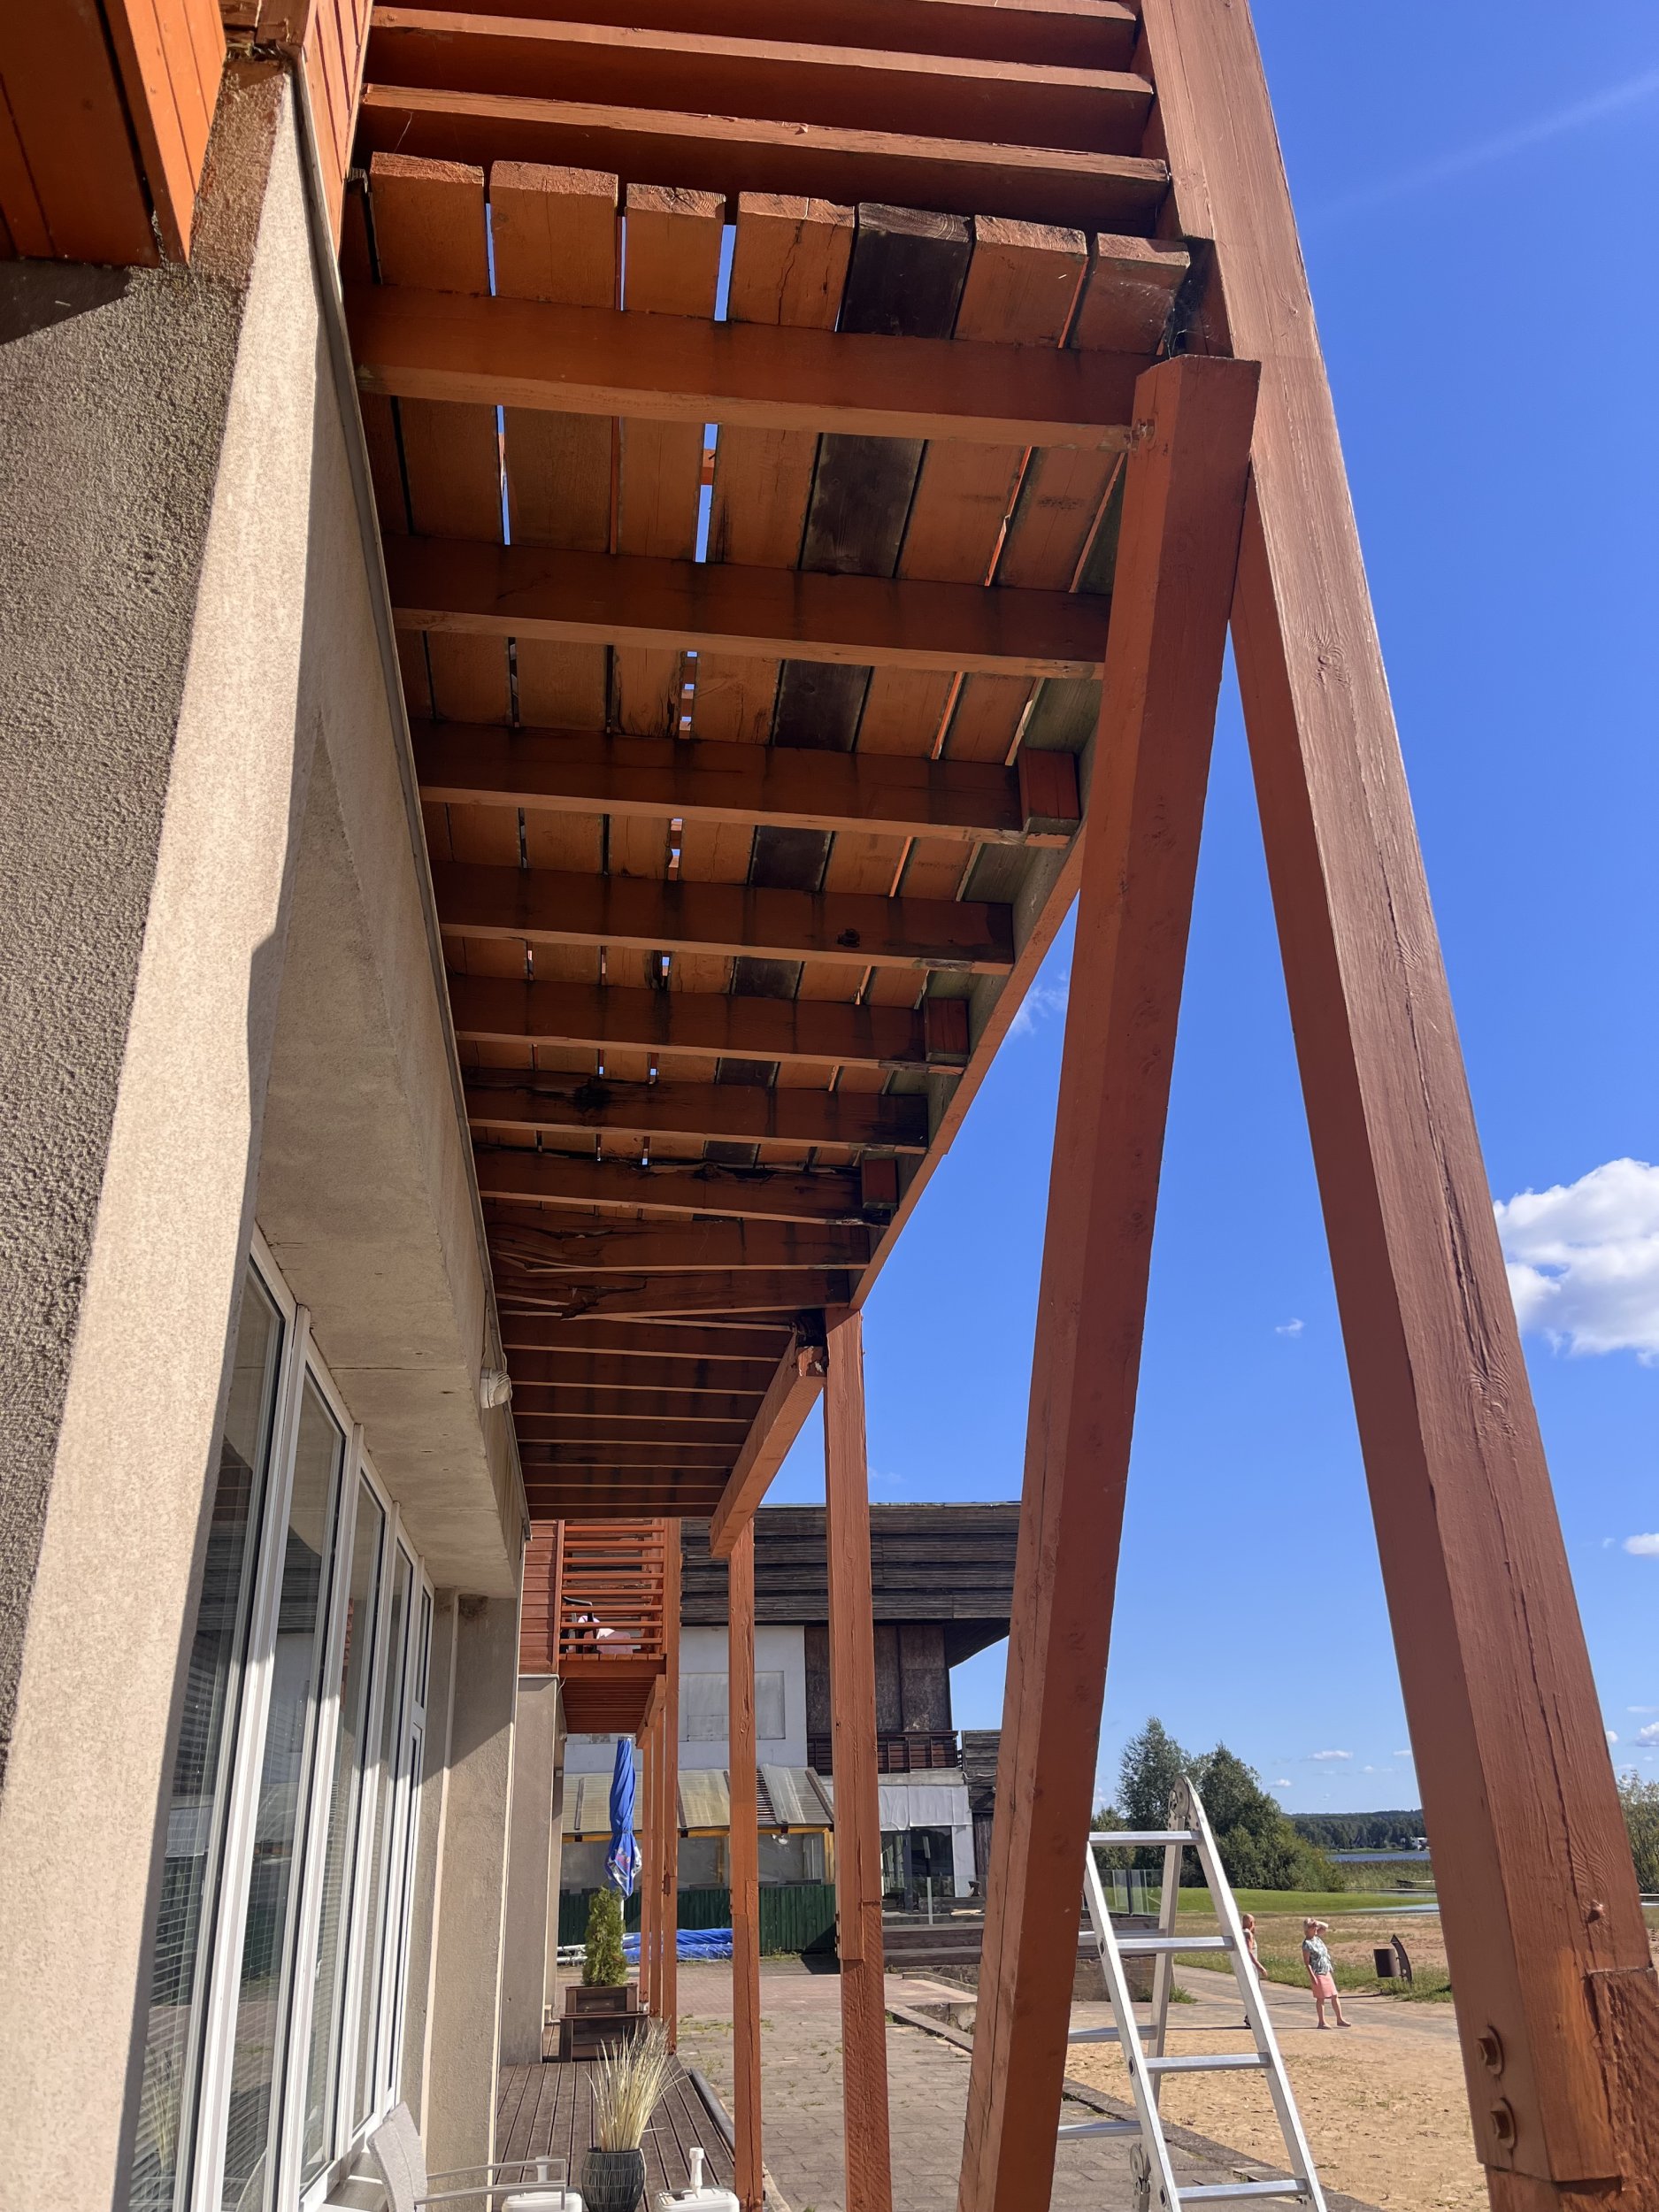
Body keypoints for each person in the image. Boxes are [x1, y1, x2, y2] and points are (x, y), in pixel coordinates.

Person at [1302, 1917, 1350, 2028]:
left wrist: (1316, 1922)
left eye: (1315, 1927)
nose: (1315, 1928)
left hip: (1326, 1970)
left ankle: (1340, 2019)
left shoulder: (1317, 1938)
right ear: (1307, 1929)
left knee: (1334, 1995)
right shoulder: (1307, 1944)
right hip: (1317, 1972)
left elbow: (1326, 1926)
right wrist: (1312, 1976)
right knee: (1321, 1998)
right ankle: (1321, 2022)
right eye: (1312, 1927)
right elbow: (1307, 1962)